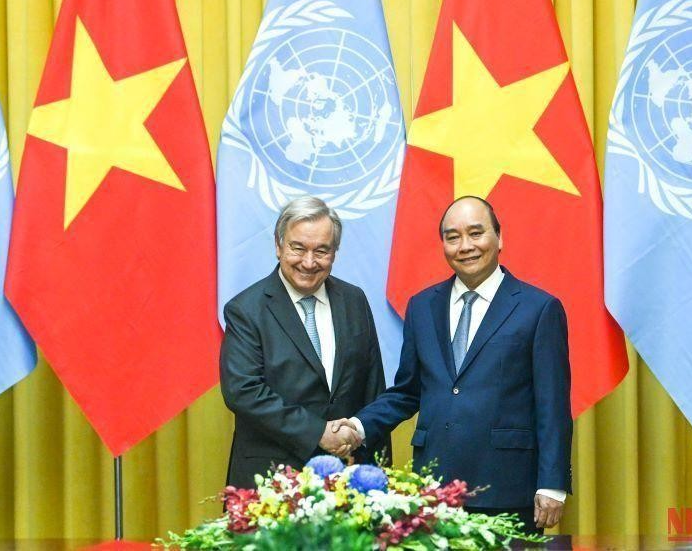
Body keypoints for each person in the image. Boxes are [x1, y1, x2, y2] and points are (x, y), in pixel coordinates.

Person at [339, 196, 572, 532]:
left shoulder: (538, 309)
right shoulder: (421, 306)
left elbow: (552, 406)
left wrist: (552, 484)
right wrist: (358, 427)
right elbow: (408, 392)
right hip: (435, 488)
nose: (465, 246)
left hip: (506, 487)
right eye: (453, 237)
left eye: (476, 233)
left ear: (499, 237)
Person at [220, 196, 387, 488]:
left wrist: (379, 470)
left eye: (321, 251)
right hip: (272, 481)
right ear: (278, 245)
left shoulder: (354, 300)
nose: (308, 262)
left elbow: (373, 387)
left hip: (350, 478)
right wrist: (318, 432)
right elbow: (243, 391)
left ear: (335, 252)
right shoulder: (246, 309)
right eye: (298, 248)